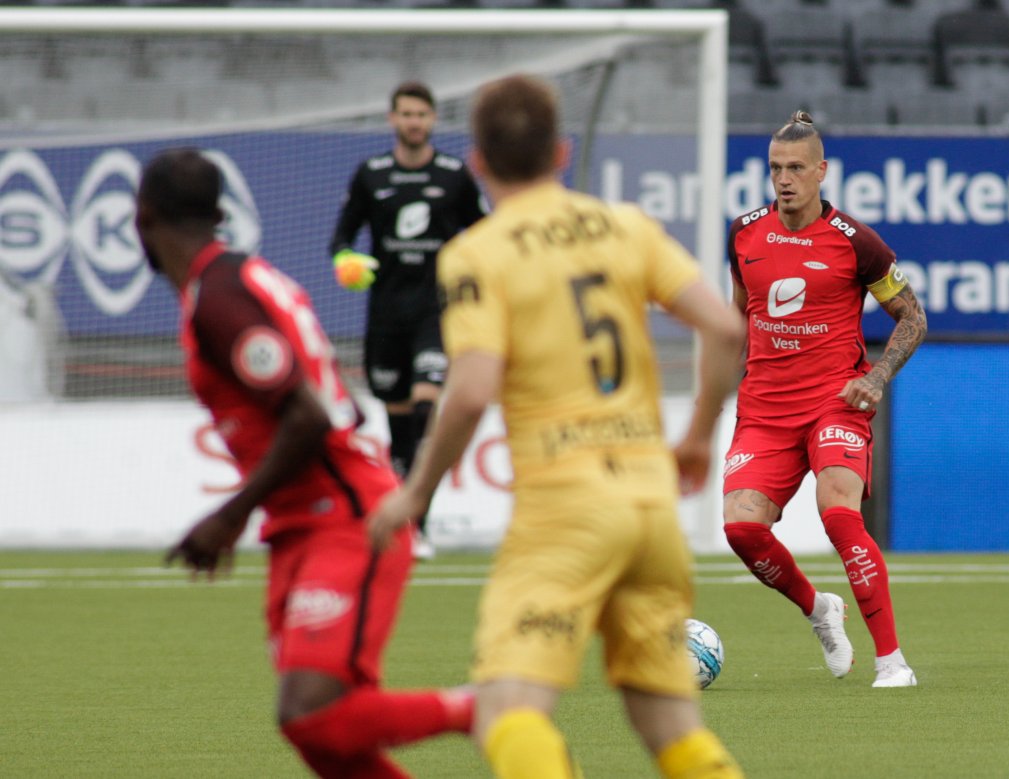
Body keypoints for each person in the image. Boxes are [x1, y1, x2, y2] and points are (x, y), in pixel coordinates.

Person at [368, 74, 746, 779]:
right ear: (563, 152)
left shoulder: (477, 252)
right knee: (669, 726)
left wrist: (415, 493)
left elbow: (473, 388)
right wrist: (697, 436)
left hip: (565, 512)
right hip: (650, 507)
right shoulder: (626, 226)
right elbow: (725, 326)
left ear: (477, 162)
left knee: (506, 710)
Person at [138, 148, 473, 779]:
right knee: (324, 740)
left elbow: (310, 416)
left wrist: (228, 516)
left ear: (141, 217)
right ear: (217, 213)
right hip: (300, 522)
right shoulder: (237, 282)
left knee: (311, 714)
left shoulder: (221, 297)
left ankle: (486, 710)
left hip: (347, 515)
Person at [722, 111, 928, 688]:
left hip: (834, 400)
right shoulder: (742, 232)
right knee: (741, 531)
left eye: (795, 169)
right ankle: (819, 610)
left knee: (838, 512)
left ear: (821, 172)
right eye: (774, 169)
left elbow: (913, 317)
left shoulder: (856, 243)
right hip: (763, 407)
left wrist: (878, 377)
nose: (783, 180)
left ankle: (892, 662)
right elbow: (739, 314)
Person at [330, 80, 487, 561]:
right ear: (392, 119)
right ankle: (406, 516)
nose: (414, 122)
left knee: (425, 407)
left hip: (437, 313)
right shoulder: (371, 174)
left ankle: (418, 525)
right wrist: (346, 261)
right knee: (399, 426)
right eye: (406, 114)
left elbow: (484, 235)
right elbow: (341, 238)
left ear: (433, 120)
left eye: (422, 114)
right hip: (385, 316)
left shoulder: (454, 175)